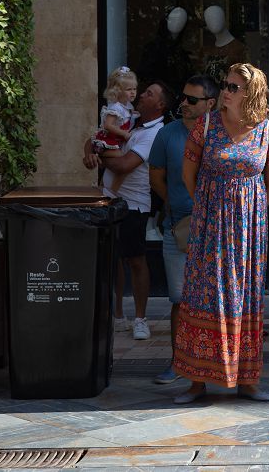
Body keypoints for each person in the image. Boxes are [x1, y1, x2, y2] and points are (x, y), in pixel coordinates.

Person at [172, 63, 269, 404]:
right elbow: (188, 173)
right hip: (210, 228)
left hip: (249, 230)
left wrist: (250, 211)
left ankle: (247, 380)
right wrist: (208, 205)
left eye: (233, 87)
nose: (226, 91)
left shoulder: (267, 131)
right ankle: (196, 382)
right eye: (225, 85)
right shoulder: (206, 125)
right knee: (204, 296)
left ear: (251, 94)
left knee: (245, 298)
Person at [82, 81, 171, 342]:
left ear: (160, 105)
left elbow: (123, 165)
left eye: (149, 93)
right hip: (108, 199)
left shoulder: (156, 132)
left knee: (135, 259)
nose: (141, 94)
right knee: (113, 259)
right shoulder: (127, 118)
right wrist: (90, 153)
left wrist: (100, 152)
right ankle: (117, 315)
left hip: (133, 204)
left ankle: (140, 319)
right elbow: (92, 138)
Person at [147, 75, 218, 385]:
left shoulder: (221, 134)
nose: (184, 104)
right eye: (184, 98)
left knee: (215, 298)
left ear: (210, 104)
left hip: (218, 227)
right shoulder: (167, 135)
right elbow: (156, 179)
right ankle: (179, 362)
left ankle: (213, 362)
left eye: (192, 100)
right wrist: (176, 206)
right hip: (179, 226)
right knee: (179, 298)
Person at [92, 66, 140, 193]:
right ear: (117, 91)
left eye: (134, 89)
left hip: (115, 142)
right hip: (108, 142)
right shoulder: (116, 108)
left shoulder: (127, 106)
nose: (133, 92)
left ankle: (102, 187)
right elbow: (108, 125)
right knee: (123, 167)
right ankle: (112, 191)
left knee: (116, 167)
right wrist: (124, 134)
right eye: (128, 89)